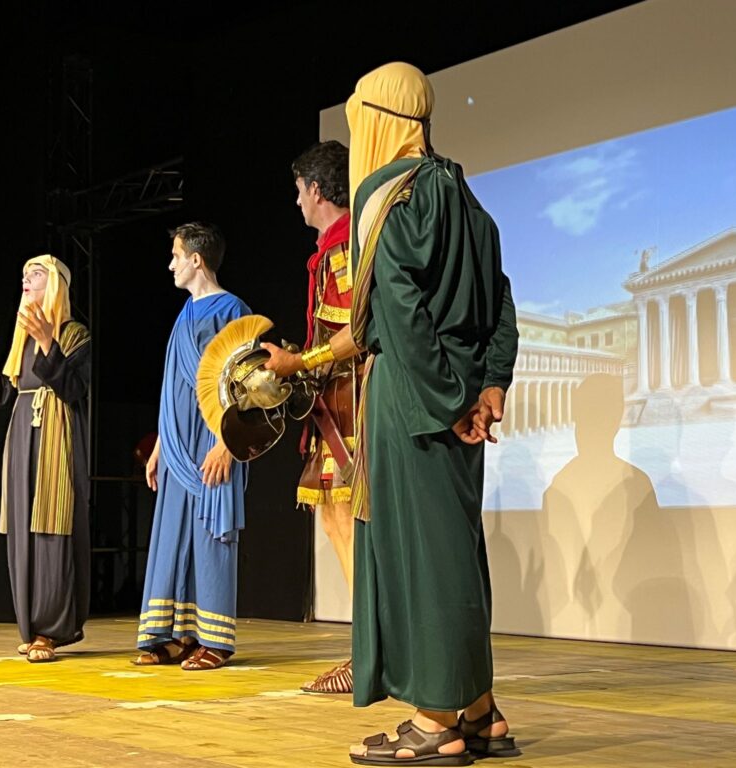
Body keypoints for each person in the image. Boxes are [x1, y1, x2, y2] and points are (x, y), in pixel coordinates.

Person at [266, 62, 520, 765]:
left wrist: (444, 402)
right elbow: (501, 302)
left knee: (422, 560)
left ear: (377, 120)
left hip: (412, 401)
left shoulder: (387, 197)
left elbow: (398, 313)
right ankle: (481, 712)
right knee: (455, 555)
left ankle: (437, 722)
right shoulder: (467, 197)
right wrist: (486, 389)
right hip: (457, 400)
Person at [0, 255, 91, 663]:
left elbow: (73, 390)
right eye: (23, 276)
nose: (25, 282)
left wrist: (50, 343)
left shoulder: (73, 333)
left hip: (56, 435)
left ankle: (51, 630)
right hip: (21, 437)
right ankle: (30, 627)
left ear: (56, 286)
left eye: (35, 275)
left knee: (52, 526)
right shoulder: (22, 339)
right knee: (21, 531)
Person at [263, 140, 358, 694]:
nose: (296, 202)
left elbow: (355, 331)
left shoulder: (343, 250)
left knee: (348, 523)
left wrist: (300, 360)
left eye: (299, 191)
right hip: (336, 399)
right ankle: (366, 649)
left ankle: (369, 653)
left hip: (349, 404)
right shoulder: (332, 248)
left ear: (317, 190)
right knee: (337, 522)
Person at [134, 222, 250, 671]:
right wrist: (162, 444)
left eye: (176, 255)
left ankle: (215, 640)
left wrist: (227, 443)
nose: (171, 263)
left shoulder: (232, 309)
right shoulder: (184, 314)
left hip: (214, 439)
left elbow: (247, 386)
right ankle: (178, 634)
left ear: (196, 260)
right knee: (173, 535)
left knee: (209, 531)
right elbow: (175, 386)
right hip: (179, 443)